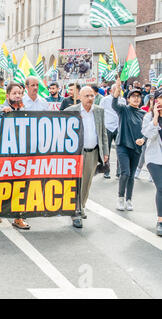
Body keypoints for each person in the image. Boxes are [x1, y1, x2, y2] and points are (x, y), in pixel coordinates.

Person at [65, 86, 109, 228]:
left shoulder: (99, 111)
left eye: (92, 96)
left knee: (87, 182)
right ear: (80, 97)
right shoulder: (71, 111)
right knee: (77, 182)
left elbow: (103, 133)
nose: (90, 98)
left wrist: (105, 152)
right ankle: (75, 211)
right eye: (87, 96)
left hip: (93, 152)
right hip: (77, 154)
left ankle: (81, 206)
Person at [0, 82, 31, 230]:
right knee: (1, 184)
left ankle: (18, 217)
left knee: (20, 186)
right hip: (4, 155)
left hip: (21, 155)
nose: (18, 96)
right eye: (15, 93)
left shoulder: (25, 111)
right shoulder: (1, 110)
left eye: (20, 93)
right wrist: (2, 113)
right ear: (8, 96)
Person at [112, 78, 147, 212]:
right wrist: (117, 90)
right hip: (123, 146)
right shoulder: (124, 110)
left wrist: (143, 139)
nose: (136, 99)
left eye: (138, 97)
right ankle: (120, 198)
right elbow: (114, 104)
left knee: (132, 176)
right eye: (133, 96)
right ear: (128, 99)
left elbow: (148, 131)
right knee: (125, 173)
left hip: (137, 148)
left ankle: (129, 199)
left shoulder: (144, 114)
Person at [141, 89, 162, 236]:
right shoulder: (148, 116)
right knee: (161, 187)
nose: (160, 101)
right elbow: (148, 134)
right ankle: (160, 221)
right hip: (154, 158)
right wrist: (155, 117)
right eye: (158, 99)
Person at [99, 84, 126, 179]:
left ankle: (119, 171)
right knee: (107, 150)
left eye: (119, 89)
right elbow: (100, 112)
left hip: (118, 127)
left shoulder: (123, 100)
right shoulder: (105, 100)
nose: (118, 91)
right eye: (116, 89)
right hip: (108, 126)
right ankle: (106, 170)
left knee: (120, 150)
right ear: (111, 90)